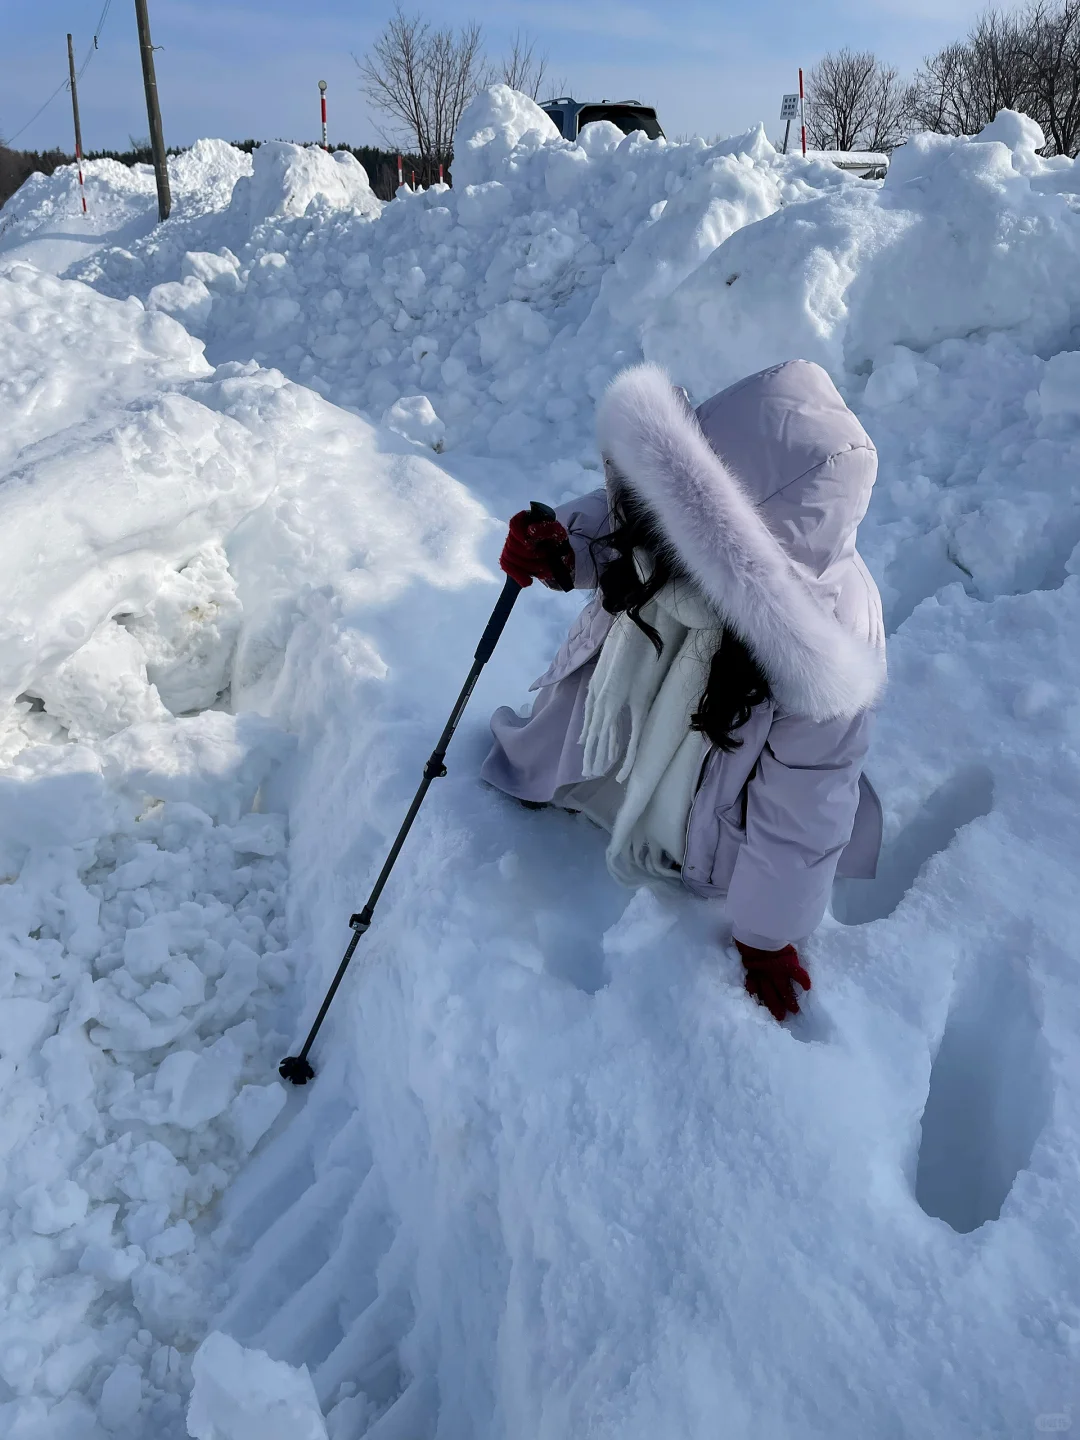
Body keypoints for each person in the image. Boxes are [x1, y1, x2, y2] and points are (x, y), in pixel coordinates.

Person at [481, 360, 887, 1022]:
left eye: (697, 538)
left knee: (764, 799)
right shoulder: (671, 530)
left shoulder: (828, 645)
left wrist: (765, 934)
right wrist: (562, 547)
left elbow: (804, 808)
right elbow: (630, 523)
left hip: (716, 798)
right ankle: (602, 785)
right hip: (634, 725)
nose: (666, 548)